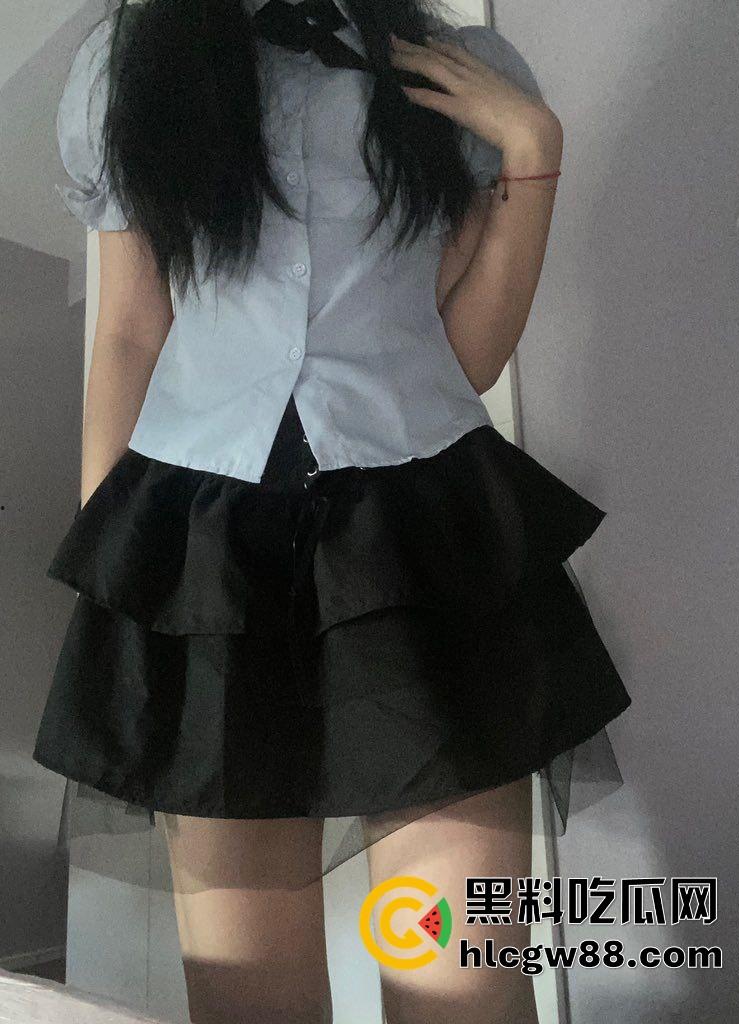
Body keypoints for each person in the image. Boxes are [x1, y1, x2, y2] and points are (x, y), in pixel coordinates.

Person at [33, 1, 632, 1021]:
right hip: (204, 567)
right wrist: (113, 576)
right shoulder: (129, 65)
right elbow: (131, 328)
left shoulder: (454, 67)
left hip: (413, 548)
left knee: (463, 983)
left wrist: (533, 151)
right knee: (251, 1001)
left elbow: (464, 357)